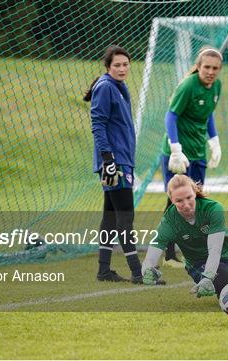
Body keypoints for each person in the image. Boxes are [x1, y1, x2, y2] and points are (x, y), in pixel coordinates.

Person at [160, 46, 224, 267]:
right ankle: (168, 252)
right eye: (206, 67)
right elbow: (171, 116)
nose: (210, 71)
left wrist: (214, 142)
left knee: (197, 202)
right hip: (178, 155)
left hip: (198, 153)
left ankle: (197, 250)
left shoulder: (216, 86)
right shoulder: (188, 85)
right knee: (176, 203)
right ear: (198, 67)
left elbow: (208, 115)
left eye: (215, 68)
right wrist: (176, 149)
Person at [84, 45, 143, 284]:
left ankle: (104, 270)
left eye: (125, 64)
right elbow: (97, 124)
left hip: (121, 161)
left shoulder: (120, 86)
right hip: (114, 163)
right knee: (125, 217)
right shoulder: (106, 87)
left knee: (110, 216)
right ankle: (138, 273)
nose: (122, 68)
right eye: (117, 65)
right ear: (108, 67)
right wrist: (108, 159)